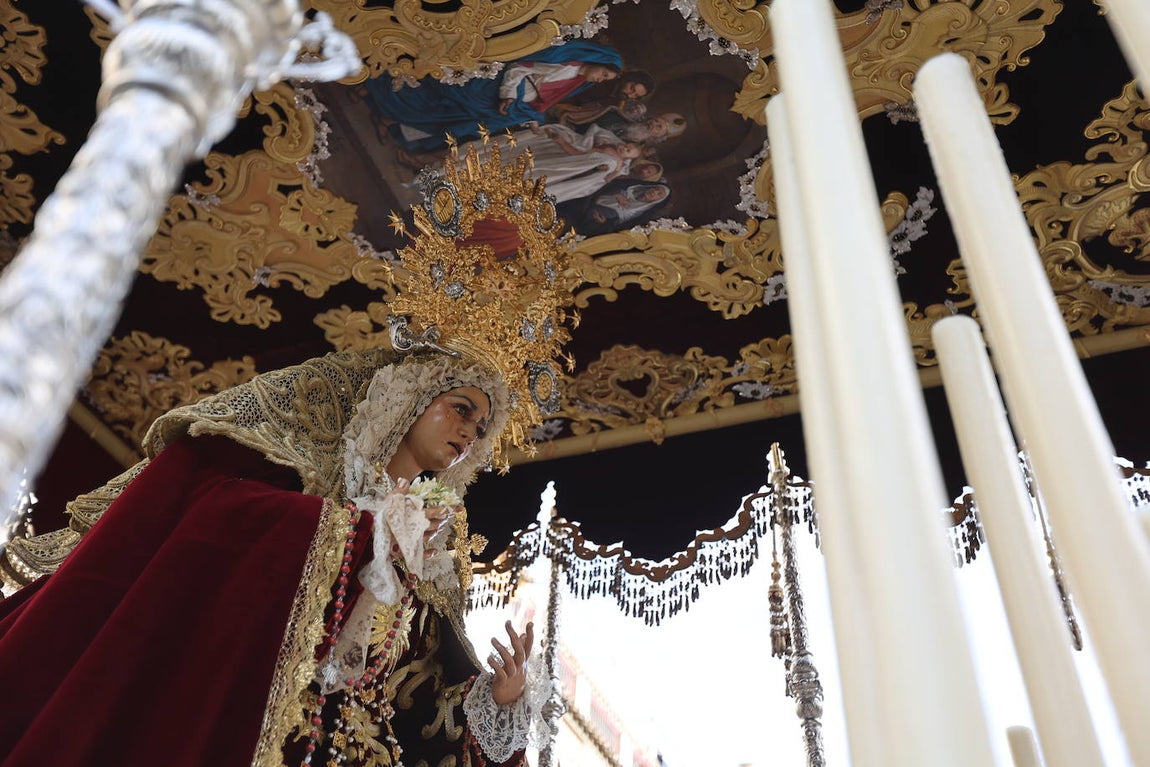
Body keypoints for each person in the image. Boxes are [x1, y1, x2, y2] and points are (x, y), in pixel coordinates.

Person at [0, 348, 549, 767]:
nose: (468, 435)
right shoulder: (310, 474)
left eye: (479, 429)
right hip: (245, 716)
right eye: (460, 409)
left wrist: (496, 700)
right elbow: (212, 523)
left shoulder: (435, 545)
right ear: (411, 394)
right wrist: (362, 530)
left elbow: (415, 682)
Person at [364, 40, 624, 152]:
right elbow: (521, 68)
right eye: (603, 75)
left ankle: (391, 120)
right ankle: (378, 97)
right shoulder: (565, 64)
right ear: (598, 60)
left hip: (510, 97)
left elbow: (541, 98)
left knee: (472, 122)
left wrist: (532, 116)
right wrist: (511, 97)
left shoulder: (576, 80)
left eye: (604, 81)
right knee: (453, 103)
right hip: (497, 85)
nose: (599, 80)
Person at [558, 179, 673, 236]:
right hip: (579, 204)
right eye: (656, 189)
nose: (654, 192)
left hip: (589, 222)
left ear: (657, 201)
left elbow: (615, 229)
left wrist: (603, 222)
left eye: (659, 194)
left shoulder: (637, 215)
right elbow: (602, 187)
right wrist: (616, 194)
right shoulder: (627, 188)